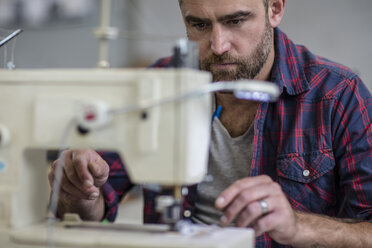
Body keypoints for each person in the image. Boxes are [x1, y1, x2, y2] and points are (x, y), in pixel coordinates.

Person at [48, 0, 372, 247]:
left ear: (275, 8)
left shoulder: (337, 95)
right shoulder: (162, 85)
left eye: (235, 21)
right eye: (199, 26)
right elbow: (97, 207)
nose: (218, 46)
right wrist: (80, 192)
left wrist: (299, 226)